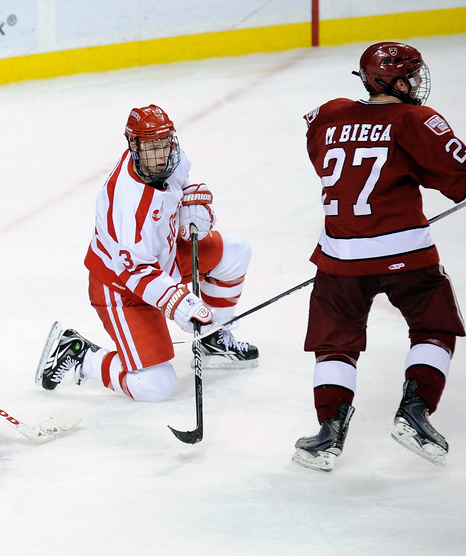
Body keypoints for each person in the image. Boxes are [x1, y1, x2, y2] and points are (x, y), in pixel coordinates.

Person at [293, 42, 466, 472]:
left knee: (335, 343)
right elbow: (458, 179)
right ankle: (415, 410)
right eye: (412, 74)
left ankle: (329, 432)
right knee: (435, 326)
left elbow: (330, 164)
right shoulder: (416, 120)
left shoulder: (329, 114)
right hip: (406, 254)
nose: (418, 83)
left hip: (339, 257)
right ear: (395, 80)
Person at [36, 104, 259, 402]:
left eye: (166, 144)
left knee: (235, 252)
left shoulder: (171, 160)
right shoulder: (126, 205)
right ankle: (78, 353)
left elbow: (184, 185)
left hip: (163, 257)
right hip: (121, 287)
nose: (162, 154)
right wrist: (181, 304)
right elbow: (136, 273)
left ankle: (212, 337)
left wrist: (193, 207)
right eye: (152, 146)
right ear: (133, 145)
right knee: (155, 385)